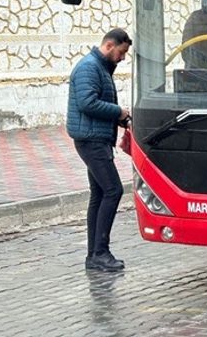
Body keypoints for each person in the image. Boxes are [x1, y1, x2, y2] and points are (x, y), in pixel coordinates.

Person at [67, 28, 132, 273]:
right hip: (91, 140)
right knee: (113, 190)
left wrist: (120, 120)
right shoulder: (89, 68)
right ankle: (100, 252)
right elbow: (88, 103)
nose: (123, 58)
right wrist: (119, 112)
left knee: (99, 193)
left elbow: (95, 103)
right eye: (122, 52)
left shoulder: (100, 68)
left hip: (95, 138)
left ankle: (94, 255)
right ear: (109, 46)